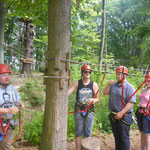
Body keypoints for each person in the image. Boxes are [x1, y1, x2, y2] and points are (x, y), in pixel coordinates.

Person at [103, 65, 136, 150]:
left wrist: (121, 113)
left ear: (125, 75)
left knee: (124, 138)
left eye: (119, 74)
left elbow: (131, 102)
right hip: (114, 115)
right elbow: (105, 92)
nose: (117, 75)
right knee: (117, 137)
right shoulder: (113, 85)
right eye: (116, 74)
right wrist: (108, 85)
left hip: (124, 115)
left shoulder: (129, 87)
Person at [68, 64, 99, 150]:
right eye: (85, 72)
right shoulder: (77, 83)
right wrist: (61, 95)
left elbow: (98, 98)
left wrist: (93, 100)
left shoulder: (94, 84)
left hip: (90, 110)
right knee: (78, 131)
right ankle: (78, 148)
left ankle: (86, 148)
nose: (87, 73)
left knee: (88, 132)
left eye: (89, 72)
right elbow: (69, 91)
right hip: (78, 110)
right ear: (82, 73)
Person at [0, 64, 24, 150]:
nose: (7, 77)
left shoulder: (11, 88)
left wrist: (20, 104)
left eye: (8, 75)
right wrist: (7, 110)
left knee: (6, 148)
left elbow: (18, 100)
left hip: (8, 125)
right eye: (3, 75)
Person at [136, 73, 150, 150]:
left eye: (149, 81)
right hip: (140, 112)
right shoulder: (143, 89)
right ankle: (142, 148)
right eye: (146, 81)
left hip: (147, 113)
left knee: (147, 134)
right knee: (142, 133)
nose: (147, 82)